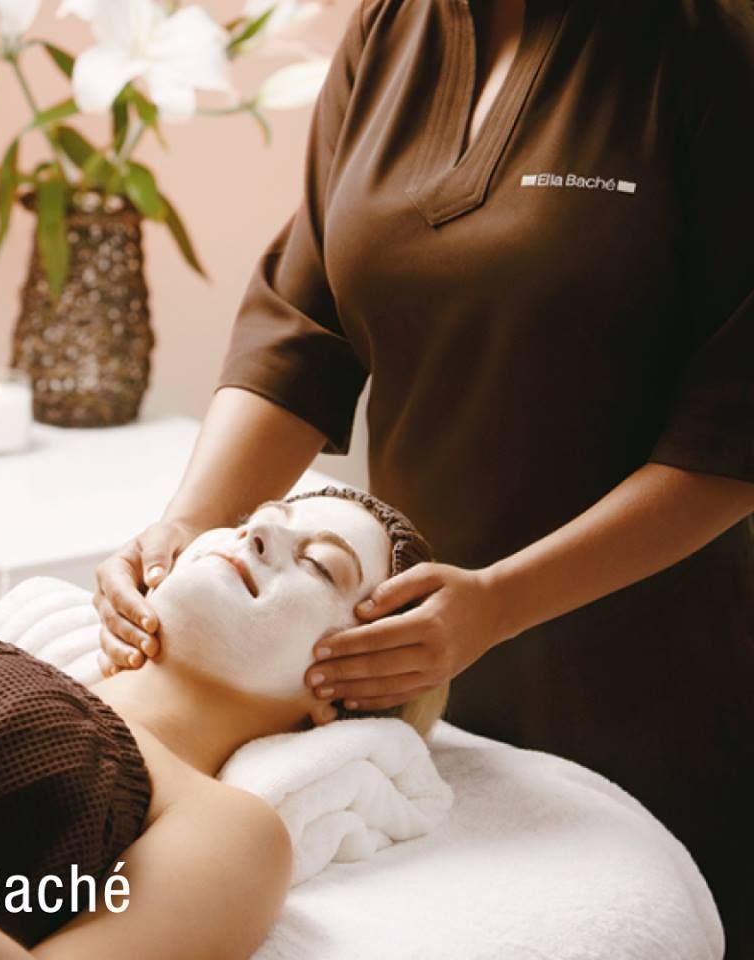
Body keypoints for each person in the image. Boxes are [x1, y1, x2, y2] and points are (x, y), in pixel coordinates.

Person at [93, 0, 754, 955]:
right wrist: (189, 527)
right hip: (408, 670)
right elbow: (305, 325)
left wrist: (501, 602)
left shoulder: (711, 48)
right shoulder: (391, 30)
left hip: (641, 678)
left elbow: (734, 429)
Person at [0, 487, 447, 959]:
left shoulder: (222, 826)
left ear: (350, 694)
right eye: (256, 519)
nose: (259, 535)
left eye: (321, 565)